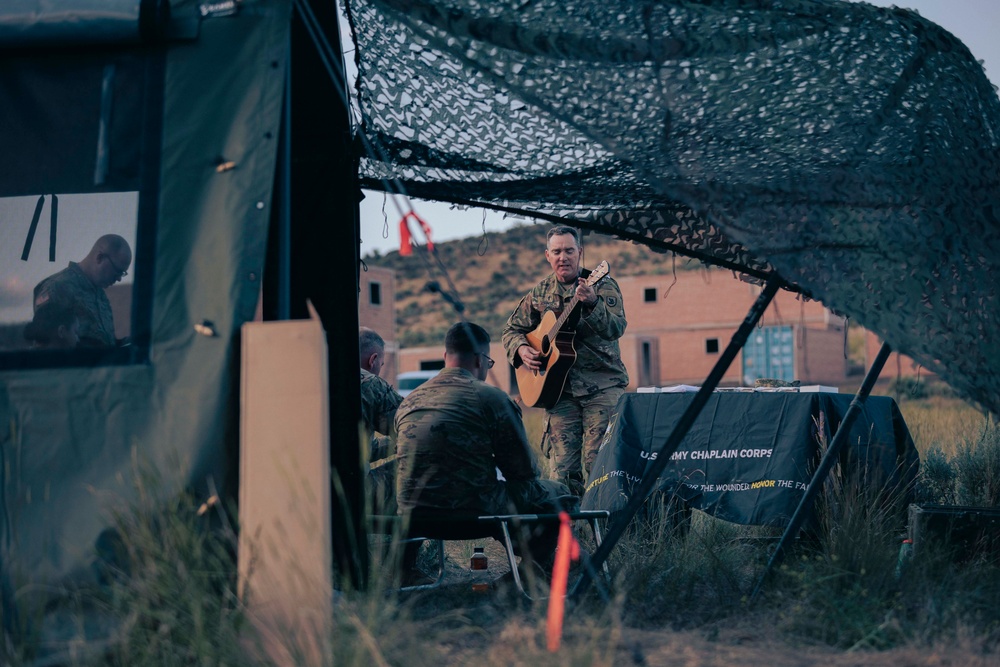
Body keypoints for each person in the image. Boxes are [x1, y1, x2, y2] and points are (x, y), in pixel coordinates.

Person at [395, 322, 574, 569]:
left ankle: (405, 572)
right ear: (480, 361)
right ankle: (530, 572)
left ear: (446, 356)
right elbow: (524, 472)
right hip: (473, 512)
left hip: (413, 514)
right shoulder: (491, 397)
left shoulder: (409, 401)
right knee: (558, 492)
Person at [502, 225, 629, 497]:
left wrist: (593, 303)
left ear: (580, 253)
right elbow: (511, 330)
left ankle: (606, 527)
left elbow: (616, 328)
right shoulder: (540, 293)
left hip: (602, 386)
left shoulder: (602, 284)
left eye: (569, 251)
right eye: (557, 251)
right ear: (548, 255)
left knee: (599, 463)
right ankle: (570, 532)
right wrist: (522, 349)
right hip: (559, 392)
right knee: (563, 470)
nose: (564, 257)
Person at [33, 234, 132, 348]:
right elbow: (47, 346)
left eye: (123, 273)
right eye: (118, 270)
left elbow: (104, 342)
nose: (119, 278)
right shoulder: (58, 288)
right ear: (99, 257)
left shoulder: (100, 295)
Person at [359, 327, 404, 514]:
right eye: (382, 364)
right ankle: (407, 540)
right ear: (373, 359)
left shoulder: (313, 376)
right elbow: (412, 429)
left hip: (306, 489)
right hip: (358, 491)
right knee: (419, 468)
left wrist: (392, 445)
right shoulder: (371, 384)